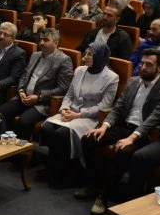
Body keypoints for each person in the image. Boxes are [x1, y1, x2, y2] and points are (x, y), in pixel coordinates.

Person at [77, 48, 160, 215]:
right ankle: (96, 184)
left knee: (123, 151)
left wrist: (131, 138)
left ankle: (104, 196)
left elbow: (154, 118)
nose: (143, 67)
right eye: (142, 63)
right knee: (89, 139)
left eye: (149, 65)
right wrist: (104, 126)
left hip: (144, 134)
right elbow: (118, 107)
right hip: (124, 125)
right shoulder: (133, 81)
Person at [39, 43, 119, 185]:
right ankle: (54, 166)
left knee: (61, 134)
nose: (84, 57)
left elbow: (104, 106)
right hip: (70, 111)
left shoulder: (112, 78)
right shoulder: (79, 70)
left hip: (90, 117)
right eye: (85, 53)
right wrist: (64, 109)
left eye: (89, 55)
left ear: (100, 57)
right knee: (46, 128)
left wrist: (78, 115)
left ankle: (68, 171)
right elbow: (69, 94)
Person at [0, 28, 74, 139]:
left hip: (42, 103)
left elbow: (63, 88)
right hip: (23, 98)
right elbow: (24, 75)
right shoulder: (35, 55)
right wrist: (21, 90)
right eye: (41, 39)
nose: (41, 43)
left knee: (23, 122)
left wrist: (39, 97)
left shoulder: (64, 60)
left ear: (56, 42)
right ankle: (3, 143)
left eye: (46, 40)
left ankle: (21, 149)